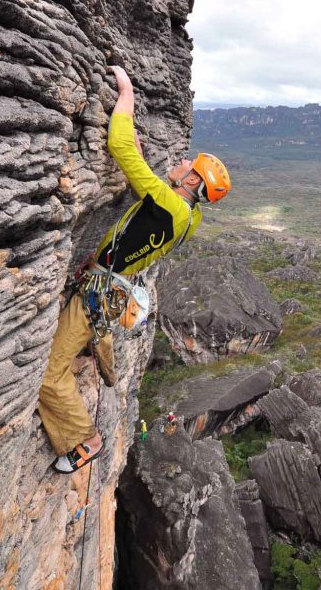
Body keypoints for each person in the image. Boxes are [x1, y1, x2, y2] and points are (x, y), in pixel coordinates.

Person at [40, 65, 231, 474]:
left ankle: (83, 440)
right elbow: (152, 206)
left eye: (187, 163)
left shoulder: (170, 202)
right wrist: (147, 165)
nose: (180, 160)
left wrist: (126, 94)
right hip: (116, 289)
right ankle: (103, 359)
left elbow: (120, 146)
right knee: (95, 330)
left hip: (100, 290)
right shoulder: (188, 216)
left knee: (51, 373)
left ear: (193, 181)